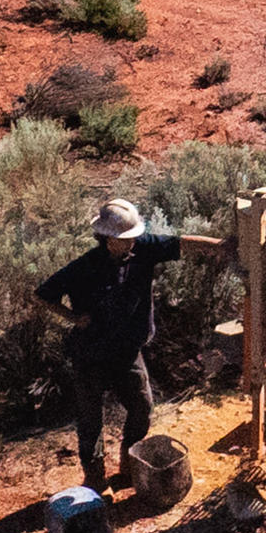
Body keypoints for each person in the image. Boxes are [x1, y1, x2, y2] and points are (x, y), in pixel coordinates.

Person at [40, 197, 181, 490]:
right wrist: (73, 316)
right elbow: (42, 295)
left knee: (142, 407)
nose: (131, 243)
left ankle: (130, 465)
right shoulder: (83, 268)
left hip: (128, 352)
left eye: (133, 237)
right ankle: (94, 479)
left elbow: (183, 244)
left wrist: (226, 245)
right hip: (90, 355)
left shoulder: (144, 250)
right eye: (124, 239)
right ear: (106, 238)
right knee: (91, 421)